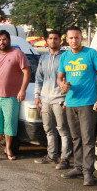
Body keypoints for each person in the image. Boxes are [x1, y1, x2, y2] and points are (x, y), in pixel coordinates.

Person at [57, 26, 97, 186]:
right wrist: (62, 86)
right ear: (67, 39)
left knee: (87, 139)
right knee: (76, 138)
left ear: (82, 38)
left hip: (87, 103)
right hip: (70, 103)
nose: (74, 40)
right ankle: (77, 167)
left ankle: (88, 172)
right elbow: (60, 78)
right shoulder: (64, 57)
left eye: (77, 37)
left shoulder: (90, 53)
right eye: (71, 38)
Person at [0, 30, 30, 161]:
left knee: (9, 124)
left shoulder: (17, 54)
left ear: (9, 40)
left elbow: (26, 72)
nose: (2, 42)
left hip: (12, 97)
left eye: (4, 39)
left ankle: (8, 150)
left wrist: (22, 90)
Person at [34, 30, 71, 170]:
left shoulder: (65, 57)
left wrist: (67, 100)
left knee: (63, 130)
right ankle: (51, 155)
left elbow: (69, 79)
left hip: (59, 99)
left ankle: (65, 159)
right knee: (48, 129)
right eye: (50, 38)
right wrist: (37, 96)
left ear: (60, 41)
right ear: (47, 41)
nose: (53, 41)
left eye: (56, 38)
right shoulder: (43, 58)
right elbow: (39, 79)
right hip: (45, 99)